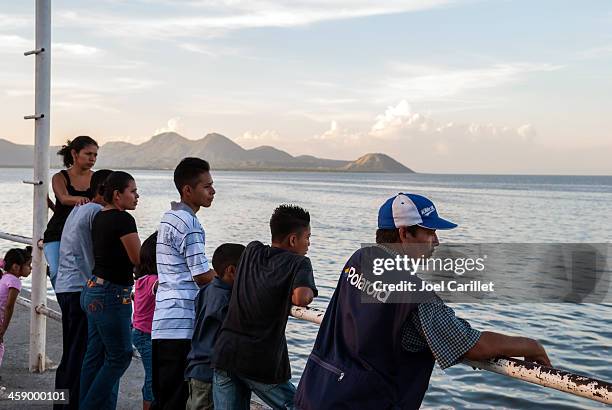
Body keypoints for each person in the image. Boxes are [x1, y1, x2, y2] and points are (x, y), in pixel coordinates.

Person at [295, 193, 552, 410]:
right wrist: (531, 346)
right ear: (405, 233)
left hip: (316, 390)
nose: (436, 242)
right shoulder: (413, 294)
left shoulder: (359, 259)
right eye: (430, 232)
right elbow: (470, 346)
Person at [212, 204, 318, 410]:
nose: (309, 244)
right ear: (293, 240)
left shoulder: (251, 249)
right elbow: (302, 298)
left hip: (225, 352)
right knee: (298, 406)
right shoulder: (299, 263)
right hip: (258, 360)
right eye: (307, 237)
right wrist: (309, 290)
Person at [152, 157, 216, 410]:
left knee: (164, 396)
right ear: (187, 190)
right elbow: (201, 275)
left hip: (164, 320)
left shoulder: (169, 217)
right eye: (207, 186)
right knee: (177, 399)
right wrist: (235, 281)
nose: (212, 191)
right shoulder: (189, 224)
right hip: (181, 322)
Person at [79, 171, 141, 410]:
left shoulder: (100, 216)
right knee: (120, 357)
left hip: (94, 289)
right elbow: (137, 259)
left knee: (94, 357)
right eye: (133, 191)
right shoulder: (123, 219)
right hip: (112, 296)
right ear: (117, 195)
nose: (137, 196)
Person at [53, 168, 113, 410]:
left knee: (71, 354)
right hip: (80, 288)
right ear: (106, 190)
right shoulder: (97, 212)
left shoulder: (80, 209)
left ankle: (62, 404)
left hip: (67, 286)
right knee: (82, 355)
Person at [186, 243, 246, 410]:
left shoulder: (207, 290)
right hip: (209, 372)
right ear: (231, 271)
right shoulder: (225, 300)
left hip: (196, 367)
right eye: (247, 270)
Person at [43, 136, 99, 288]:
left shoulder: (96, 178)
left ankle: (80, 307)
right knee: (56, 272)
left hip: (84, 234)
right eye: (88, 154)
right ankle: (64, 306)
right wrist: (81, 200)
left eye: (95, 155)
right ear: (75, 154)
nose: (92, 158)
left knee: (87, 275)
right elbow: (63, 198)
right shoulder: (60, 177)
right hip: (58, 232)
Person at [133, 232, 159, 410]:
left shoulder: (142, 279)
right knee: (152, 377)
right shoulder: (154, 281)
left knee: (153, 376)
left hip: (141, 332)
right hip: (146, 335)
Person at [0, 247, 32, 366]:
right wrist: (3, 329)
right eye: (28, 265)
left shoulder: (4, 277)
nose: (31, 268)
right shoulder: (14, 281)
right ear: (16, 267)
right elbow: (9, 307)